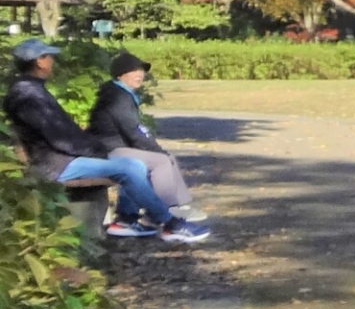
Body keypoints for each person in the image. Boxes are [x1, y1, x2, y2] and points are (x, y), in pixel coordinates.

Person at [5, 39, 208, 243]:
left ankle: (127, 219)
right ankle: (169, 224)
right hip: (55, 165)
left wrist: (91, 149)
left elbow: (61, 134)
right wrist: (95, 151)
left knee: (133, 164)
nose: (53, 60)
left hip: (60, 159)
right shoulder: (29, 95)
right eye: (49, 56)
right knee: (128, 169)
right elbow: (59, 138)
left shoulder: (31, 90)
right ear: (39, 62)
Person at [85, 50, 206, 224]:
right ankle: (167, 209)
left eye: (141, 71)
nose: (140, 75)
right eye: (133, 71)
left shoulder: (123, 94)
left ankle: (181, 206)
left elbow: (135, 132)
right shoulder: (117, 97)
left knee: (165, 157)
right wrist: (156, 150)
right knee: (160, 160)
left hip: (119, 147)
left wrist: (157, 149)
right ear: (120, 75)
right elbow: (133, 133)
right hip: (108, 150)